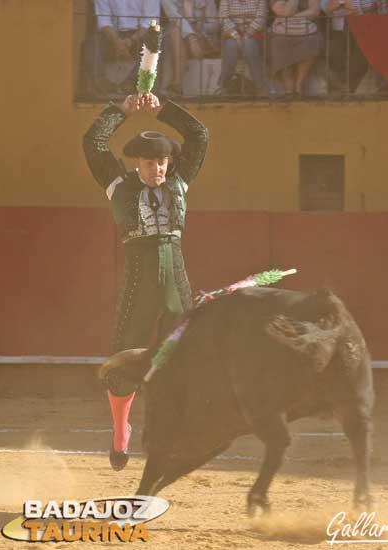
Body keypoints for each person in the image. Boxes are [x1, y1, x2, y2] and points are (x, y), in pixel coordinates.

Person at [83, 93, 209, 470]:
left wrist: (163, 109)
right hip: (140, 281)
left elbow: (199, 135)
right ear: (138, 162)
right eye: (151, 162)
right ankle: (121, 432)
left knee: (182, 359)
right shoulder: (118, 185)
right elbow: (93, 142)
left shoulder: (179, 183)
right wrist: (121, 110)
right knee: (125, 358)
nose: (158, 168)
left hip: (175, 278)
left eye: (163, 161)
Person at [269, 0, 322, 96]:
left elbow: (315, 11)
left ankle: (299, 84)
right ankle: (288, 87)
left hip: (306, 30)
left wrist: (290, 18)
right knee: (279, 43)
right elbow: (285, 11)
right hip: (281, 32)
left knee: (311, 41)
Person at [321, 0, 375, 93]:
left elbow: (370, 5)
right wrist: (343, 3)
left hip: (361, 30)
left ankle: (349, 88)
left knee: (361, 60)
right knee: (337, 61)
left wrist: (341, 6)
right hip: (338, 30)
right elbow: (326, 8)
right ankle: (337, 91)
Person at [219, 0, 267, 95]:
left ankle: (259, 86)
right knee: (231, 47)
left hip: (254, 32)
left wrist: (248, 34)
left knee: (249, 45)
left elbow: (261, 17)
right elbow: (223, 18)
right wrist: (236, 35)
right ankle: (224, 86)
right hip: (232, 32)